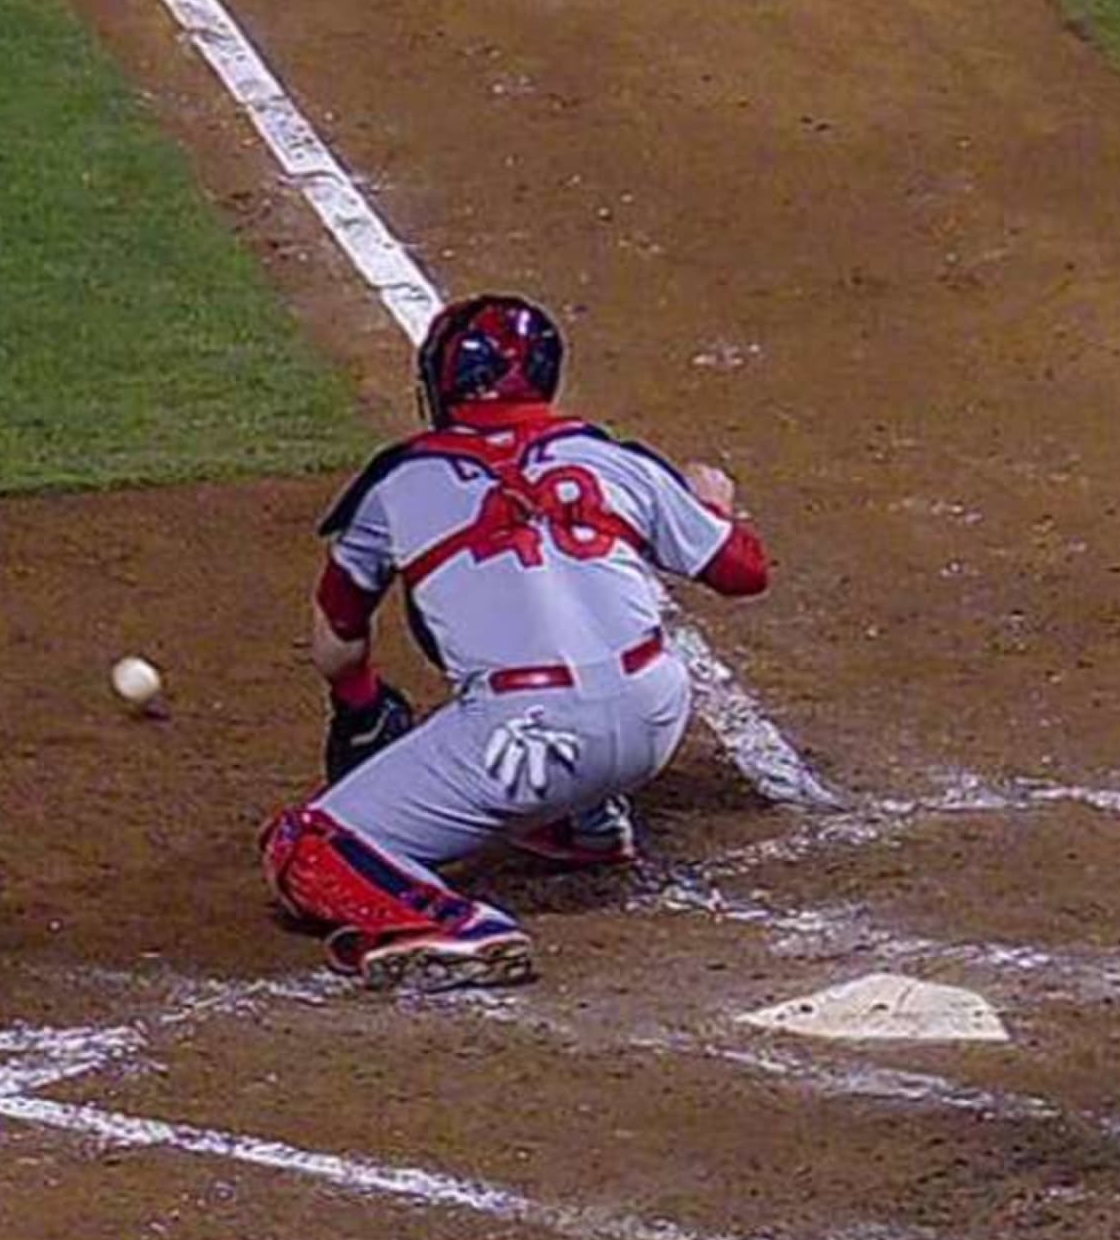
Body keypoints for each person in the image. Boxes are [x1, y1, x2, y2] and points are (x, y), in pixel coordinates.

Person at [260, 295, 769, 991]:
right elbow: (744, 573)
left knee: (306, 849)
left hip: (527, 739)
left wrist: (358, 701)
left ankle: (453, 928)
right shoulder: (609, 456)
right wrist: (707, 505)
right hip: (657, 716)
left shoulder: (397, 484)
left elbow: (338, 640)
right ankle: (589, 825)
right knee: (576, 648)